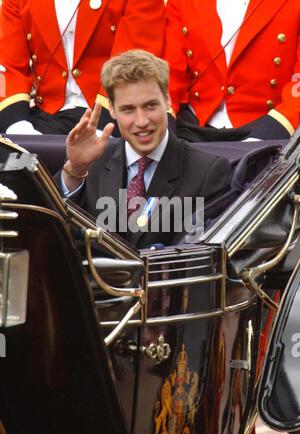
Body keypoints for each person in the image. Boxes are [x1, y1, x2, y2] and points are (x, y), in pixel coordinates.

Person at [55, 50, 232, 249]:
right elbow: (57, 236)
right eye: (128, 109)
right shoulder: (92, 162)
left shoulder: (207, 172)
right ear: (111, 109)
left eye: (150, 106)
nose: (142, 121)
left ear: (167, 100)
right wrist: (75, 171)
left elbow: (197, 257)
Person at [0, 0, 165, 135]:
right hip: (48, 114)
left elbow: (134, 64)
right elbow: (6, 65)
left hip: (116, 113)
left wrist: (101, 128)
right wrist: (18, 126)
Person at [163, 0, 300, 142]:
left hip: (269, 127)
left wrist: (276, 126)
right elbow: (171, 71)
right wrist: (164, 118)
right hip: (194, 126)